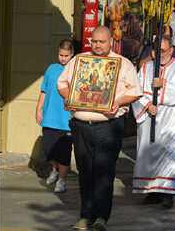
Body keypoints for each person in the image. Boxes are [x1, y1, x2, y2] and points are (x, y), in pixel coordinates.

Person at [58, 26, 142, 231]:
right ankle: (86, 215)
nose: (97, 45)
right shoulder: (79, 61)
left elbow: (136, 92)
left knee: (104, 173)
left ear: (111, 41)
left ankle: (102, 217)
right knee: (85, 172)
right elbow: (62, 84)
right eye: (94, 41)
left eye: (101, 42)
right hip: (81, 126)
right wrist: (69, 96)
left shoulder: (123, 64)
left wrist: (119, 102)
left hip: (109, 127)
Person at [132, 35, 175, 209]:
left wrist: (164, 84)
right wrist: (147, 105)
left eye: (164, 51)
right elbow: (137, 91)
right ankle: (152, 191)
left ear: (172, 50)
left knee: (169, 154)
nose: (161, 54)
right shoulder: (146, 68)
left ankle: (167, 193)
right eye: (157, 51)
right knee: (149, 153)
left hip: (171, 120)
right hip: (150, 118)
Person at [35, 39, 74, 193]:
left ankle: (62, 181)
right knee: (48, 148)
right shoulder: (51, 69)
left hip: (67, 118)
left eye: (66, 55)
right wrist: (39, 109)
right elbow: (44, 90)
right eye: (60, 55)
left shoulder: (75, 71)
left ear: (72, 54)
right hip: (50, 116)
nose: (63, 58)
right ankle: (56, 170)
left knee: (64, 152)